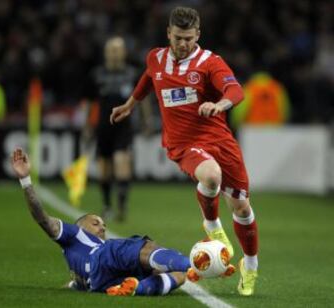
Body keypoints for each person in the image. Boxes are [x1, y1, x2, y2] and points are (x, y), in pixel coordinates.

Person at [110, 6, 259, 296]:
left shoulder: (209, 63)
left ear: (198, 35)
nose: (183, 44)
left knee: (242, 207)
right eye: (178, 37)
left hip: (219, 139)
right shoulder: (155, 58)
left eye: (189, 38)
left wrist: (219, 105)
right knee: (211, 176)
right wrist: (130, 104)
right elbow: (148, 79)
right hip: (183, 143)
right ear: (169, 33)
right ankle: (212, 224)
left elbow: (236, 91)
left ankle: (250, 266)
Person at [11, 147, 201, 296]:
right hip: (102, 257)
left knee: (178, 275)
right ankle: (196, 263)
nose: (102, 226)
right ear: (79, 227)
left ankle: (139, 288)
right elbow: (41, 218)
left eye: (102, 224)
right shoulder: (74, 235)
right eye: (95, 223)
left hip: (104, 284)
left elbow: (72, 285)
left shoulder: (78, 277)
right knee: (146, 247)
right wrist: (25, 180)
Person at [82, 36, 152, 222]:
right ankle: (107, 205)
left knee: (122, 164)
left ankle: (121, 207)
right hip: (103, 128)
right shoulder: (96, 75)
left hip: (124, 128)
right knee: (104, 170)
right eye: (111, 49)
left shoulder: (132, 73)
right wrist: (87, 126)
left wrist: (147, 121)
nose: (114, 53)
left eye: (117, 49)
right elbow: (89, 103)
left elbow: (142, 99)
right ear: (106, 52)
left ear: (123, 52)